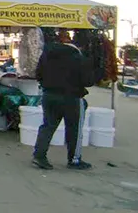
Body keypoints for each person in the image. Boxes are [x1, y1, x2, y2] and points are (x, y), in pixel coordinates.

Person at [32, 31, 94, 171]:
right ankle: (74, 159)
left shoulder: (47, 54)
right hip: (72, 97)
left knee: (47, 126)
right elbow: (88, 80)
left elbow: (38, 74)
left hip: (49, 95)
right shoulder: (78, 56)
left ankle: (39, 156)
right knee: (74, 129)